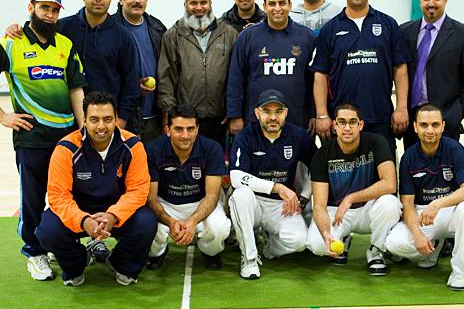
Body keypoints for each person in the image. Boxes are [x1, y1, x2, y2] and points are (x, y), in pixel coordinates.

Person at [0, 0, 85, 281]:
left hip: (65, 138)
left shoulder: (65, 45)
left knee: (67, 195)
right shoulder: (9, 44)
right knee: (32, 199)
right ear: (31, 7)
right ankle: (35, 252)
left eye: (54, 9)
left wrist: (83, 127)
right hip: (31, 138)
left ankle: (63, 244)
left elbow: (76, 88)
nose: (49, 14)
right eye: (44, 8)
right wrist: (2, 116)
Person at [35, 91, 156, 286]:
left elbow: (138, 190)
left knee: (146, 222)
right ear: (84, 120)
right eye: (94, 119)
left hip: (116, 212)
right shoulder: (66, 148)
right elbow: (58, 196)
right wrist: (83, 221)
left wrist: (113, 216)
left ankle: (121, 264)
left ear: (116, 118)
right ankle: (77, 263)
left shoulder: (133, 145)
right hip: (79, 211)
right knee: (47, 230)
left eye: (108, 119)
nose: (101, 126)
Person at [5, 0, 141, 131]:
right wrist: (16, 29)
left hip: (106, 121)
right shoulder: (62, 27)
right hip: (66, 121)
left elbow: (131, 82)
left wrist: (120, 121)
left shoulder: (122, 35)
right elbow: (36, 31)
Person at [311, 0, 409, 156]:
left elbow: (400, 68)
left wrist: (401, 107)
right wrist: (322, 114)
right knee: (342, 180)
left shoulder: (387, 24)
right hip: (342, 121)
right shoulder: (330, 29)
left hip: (380, 117)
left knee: (384, 178)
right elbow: (320, 75)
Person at [385, 104, 464, 291]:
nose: (430, 130)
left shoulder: (454, 149)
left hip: (453, 211)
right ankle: (436, 244)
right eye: (424, 125)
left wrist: (438, 204)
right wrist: (417, 235)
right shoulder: (408, 158)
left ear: (443, 126)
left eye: (435, 125)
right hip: (424, 216)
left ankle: (461, 270)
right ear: (415, 127)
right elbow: (408, 204)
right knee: (394, 244)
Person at [229, 89, 316, 280]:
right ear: (257, 113)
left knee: (299, 242)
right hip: (253, 202)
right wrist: (276, 187)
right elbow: (236, 177)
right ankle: (249, 259)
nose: (273, 117)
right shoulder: (245, 136)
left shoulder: (298, 136)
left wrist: (303, 197)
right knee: (240, 196)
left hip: (282, 206)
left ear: (286, 113)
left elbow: (318, 169)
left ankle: (269, 248)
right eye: (267, 111)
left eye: (278, 111)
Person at [306, 102, 401, 275]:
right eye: (342, 122)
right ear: (334, 125)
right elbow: (319, 205)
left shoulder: (376, 142)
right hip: (338, 213)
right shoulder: (322, 154)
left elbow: (390, 184)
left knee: (390, 203)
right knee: (317, 246)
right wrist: (326, 233)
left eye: (352, 122)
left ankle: (376, 250)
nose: (347, 128)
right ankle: (342, 238)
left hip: (368, 209)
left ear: (360, 125)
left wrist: (351, 198)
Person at [145, 104, 231, 271]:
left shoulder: (212, 148)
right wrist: (170, 222)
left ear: (197, 129)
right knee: (146, 224)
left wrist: (192, 221)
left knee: (219, 227)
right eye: (178, 129)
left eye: (190, 129)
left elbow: (212, 196)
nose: (185, 136)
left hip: (200, 201)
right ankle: (158, 253)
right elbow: (151, 197)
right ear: (167, 129)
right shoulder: (152, 150)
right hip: (166, 203)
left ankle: (210, 252)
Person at [400, 0, 464, 148]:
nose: (431, 3)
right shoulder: (405, 32)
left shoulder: (463, 34)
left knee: (445, 173)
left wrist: (455, 114)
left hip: (445, 122)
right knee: (413, 172)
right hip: (412, 122)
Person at [227, 0, 315, 134]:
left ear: (290, 4)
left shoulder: (306, 37)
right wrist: (235, 116)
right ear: (264, 6)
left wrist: (316, 114)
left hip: (297, 120)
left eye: (282, 3)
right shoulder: (247, 37)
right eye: (272, 4)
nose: (277, 8)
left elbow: (314, 80)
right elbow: (236, 79)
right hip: (256, 122)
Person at [157, 0, 238, 146]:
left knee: (217, 164)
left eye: (203, 3)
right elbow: (166, 77)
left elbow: (236, 75)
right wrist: (169, 112)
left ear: (211, 4)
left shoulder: (228, 34)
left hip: (220, 118)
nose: (199, 8)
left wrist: (233, 110)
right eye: (193, 3)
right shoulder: (173, 35)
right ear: (185, 5)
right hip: (186, 119)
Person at [115, 0, 168, 142]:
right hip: (124, 117)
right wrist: (133, 87)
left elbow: (169, 71)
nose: (137, 0)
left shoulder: (157, 28)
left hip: (155, 118)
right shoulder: (110, 29)